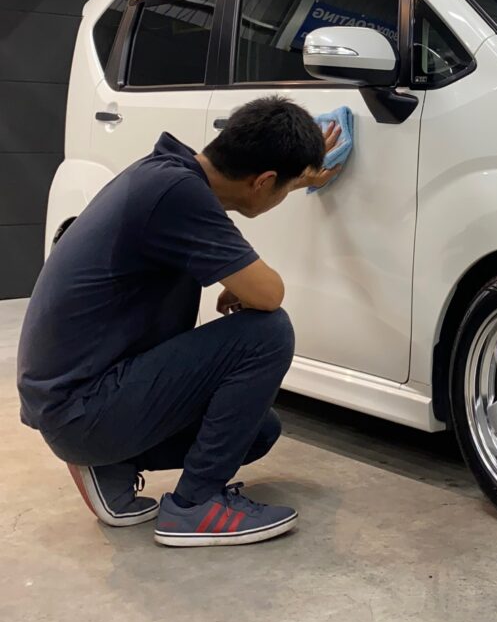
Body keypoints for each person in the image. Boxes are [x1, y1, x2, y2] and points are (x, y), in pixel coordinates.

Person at [17, 96, 342, 547]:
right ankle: (195, 506)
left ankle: (111, 463)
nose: (284, 196)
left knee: (258, 432)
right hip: (80, 408)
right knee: (268, 332)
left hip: (71, 397)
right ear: (263, 180)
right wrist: (248, 285)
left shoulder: (167, 174)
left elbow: (246, 276)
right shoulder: (179, 196)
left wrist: (297, 173)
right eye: (283, 189)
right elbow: (269, 294)